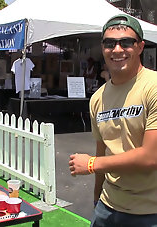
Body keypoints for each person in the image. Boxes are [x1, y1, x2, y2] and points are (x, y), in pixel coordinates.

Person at [69, 14, 157, 227]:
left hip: (149, 212)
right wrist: (96, 198)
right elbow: (103, 149)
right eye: (110, 43)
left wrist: (90, 164)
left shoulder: (152, 87)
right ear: (103, 48)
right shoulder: (98, 98)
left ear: (140, 47)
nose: (117, 49)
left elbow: (150, 156)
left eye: (126, 42)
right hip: (108, 207)